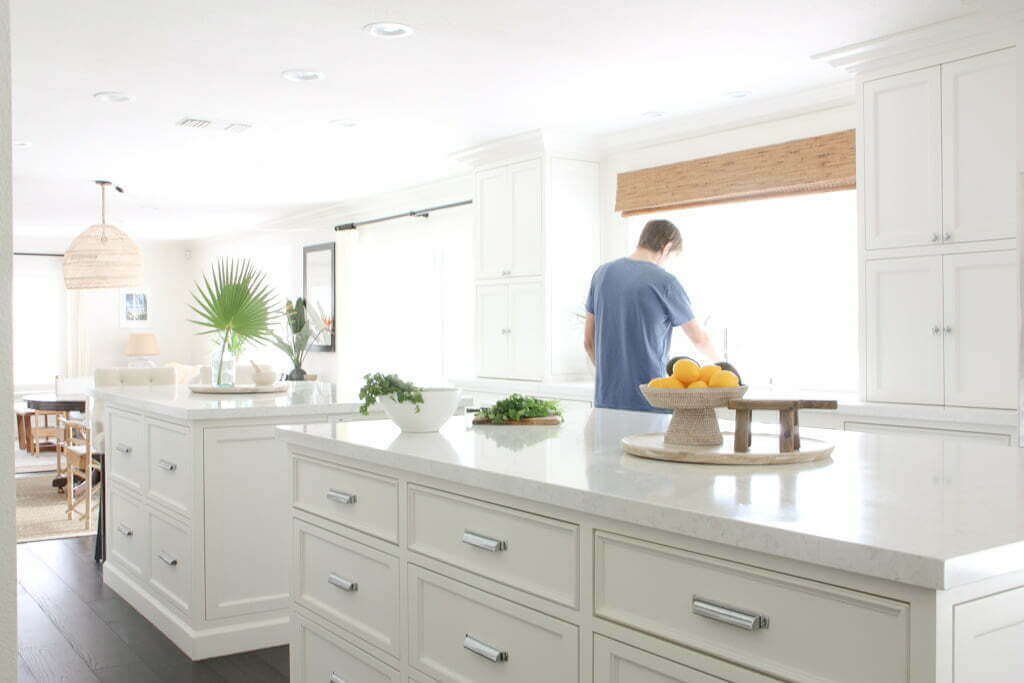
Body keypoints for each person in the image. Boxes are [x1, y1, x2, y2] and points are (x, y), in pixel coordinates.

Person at [584, 219, 720, 411]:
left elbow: (588, 341)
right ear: (667, 247)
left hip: (606, 401)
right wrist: (724, 370)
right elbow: (700, 340)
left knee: (608, 443)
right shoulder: (665, 281)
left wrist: (612, 378)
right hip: (650, 402)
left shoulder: (602, 274)